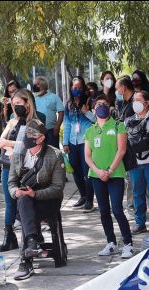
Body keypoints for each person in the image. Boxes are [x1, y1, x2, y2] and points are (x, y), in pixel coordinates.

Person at [8, 119, 66, 280]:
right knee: (23, 201)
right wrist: (16, 192)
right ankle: (33, 240)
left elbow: (57, 188)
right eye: (26, 133)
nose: (27, 137)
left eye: (32, 134)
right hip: (26, 201)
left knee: (26, 205)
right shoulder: (19, 154)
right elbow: (11, 183)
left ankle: (26, 261)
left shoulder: (54, 155)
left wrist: (36, 194)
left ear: (41, 138)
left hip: (48, 201)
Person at [84, 94, 134, 259]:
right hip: (96, 176)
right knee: (104, 210)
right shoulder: (90, 131)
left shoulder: (118, 125)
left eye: (105, 103)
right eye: (98, 104)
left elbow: (122, 150)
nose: (101, 106)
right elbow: (87, 156)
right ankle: (111, 242)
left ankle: (128, 243)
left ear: (110, 107)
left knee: (117, 209)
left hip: (115, 174)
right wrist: (99, 172)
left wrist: (110, 170)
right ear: (93, 109)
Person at [0, 89, 45, 252]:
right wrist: (18, 145)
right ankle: (9, 236)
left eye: (18, 103)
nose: (15, 106)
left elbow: (31, 144)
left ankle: (33, 236)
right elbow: (0, 142)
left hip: (27, 169)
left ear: (27, 103)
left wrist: (15, 146)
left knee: (25, 201)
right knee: (9, 203)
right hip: (8, 167)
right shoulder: (11, 122)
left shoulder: (35, 122)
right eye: (13, 104)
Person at [125, 90, 149, 235]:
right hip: (134, 163)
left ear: (147, 103)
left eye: (138, 100)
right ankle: (139, 223)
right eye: (133, 100)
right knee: (137, 193)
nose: (135, 103)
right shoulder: (128, 120)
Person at [63, 75, 97, 212]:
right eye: (74, 87)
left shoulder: (90, 101)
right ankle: (83, 196)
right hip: (72, 141)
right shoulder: (69, 104)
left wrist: (87, 112)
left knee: (87, 171)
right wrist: (65, 142)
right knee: (75, 171)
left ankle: (90, 200)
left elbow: (97, 120)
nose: (76, 90)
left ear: (83, 89)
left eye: (79, 88)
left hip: (86, 141)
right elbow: (67, 124)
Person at [32, 76, 64, 148]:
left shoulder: (54, 97)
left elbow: (61, 112)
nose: (35, 86)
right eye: (34, 84)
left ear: (43, 85)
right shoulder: (33, 98)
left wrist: (57, 127)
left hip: (51, 131)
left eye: (37, 84)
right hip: (37, 131)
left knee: (53, 151)